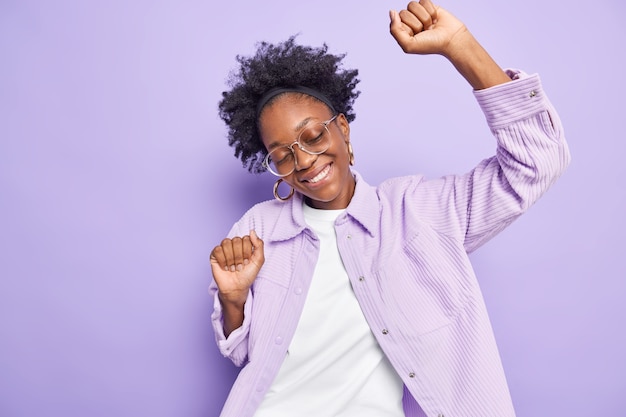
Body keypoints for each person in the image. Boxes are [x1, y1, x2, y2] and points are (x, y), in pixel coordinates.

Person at [209, 1, 570, 416]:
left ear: (342, 128)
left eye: (312, 135)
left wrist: (459, 45)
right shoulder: (258, 228)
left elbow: (537, 162)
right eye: (282, 155)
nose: (304, 160)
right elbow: (243, 356)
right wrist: (233, 300)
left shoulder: (418, 212)